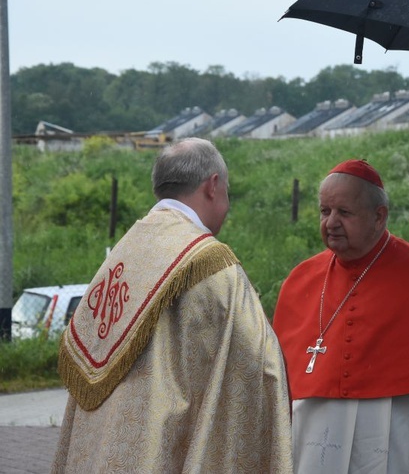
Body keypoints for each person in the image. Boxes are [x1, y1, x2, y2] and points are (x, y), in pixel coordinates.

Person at [52, 138, 293, 473]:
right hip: (165, 451)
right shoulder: (211, 264)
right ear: (212, 186)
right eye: (227, 192)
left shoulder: (127, 250)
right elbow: (259, 363)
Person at [272, 159, 409, 474]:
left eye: (344, 213)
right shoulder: (299, 281)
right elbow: (279, 394)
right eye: (325, 211)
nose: (331, 222)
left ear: (379, 217)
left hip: (393, 454)